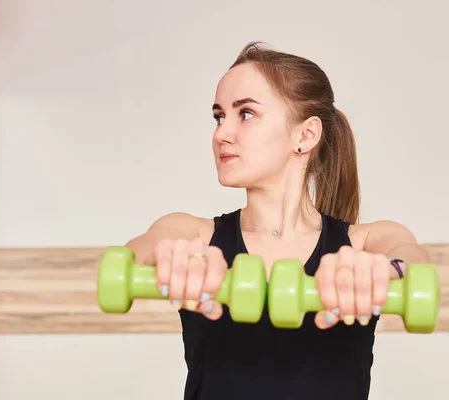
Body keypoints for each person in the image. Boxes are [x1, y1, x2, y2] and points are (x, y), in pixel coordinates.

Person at [125, 42, 431, 400]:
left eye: (246, 114)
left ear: (306, 135)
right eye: (219, 116)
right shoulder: (193, 235)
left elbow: (410, 258)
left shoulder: (365, 243)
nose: (221, 133)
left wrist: (387, 271)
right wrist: (169, 258)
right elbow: (138, 251)